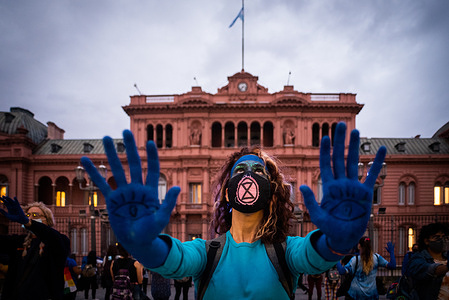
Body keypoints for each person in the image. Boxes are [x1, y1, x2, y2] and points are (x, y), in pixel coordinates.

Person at [81, 122, 386, 299]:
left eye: (260, 170)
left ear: (273, 190)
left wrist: (339, 241)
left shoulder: (286, 252)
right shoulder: (206, 252)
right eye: (241, 170)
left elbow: (314, 255)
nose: (250, 174)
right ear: (227, 191)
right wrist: (143, 245)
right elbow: (174, 260)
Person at [0, 197, 70, 300]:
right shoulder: (19, 241)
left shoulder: (59, 240)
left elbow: (52, 237)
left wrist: (29, 223)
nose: (30, 218)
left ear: (48, 219)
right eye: (28, 215)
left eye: (35, 215)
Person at [408, 222, 449, 300]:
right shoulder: (418, 258)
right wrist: (446, 267)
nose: (442, 240)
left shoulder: (446, 257)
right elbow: (429, 270)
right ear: (426, 241)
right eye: (437, 237)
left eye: (444, 237)